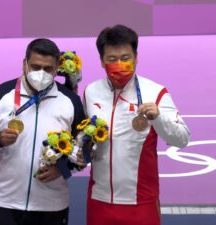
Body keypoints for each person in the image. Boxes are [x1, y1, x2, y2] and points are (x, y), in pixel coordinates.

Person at [83, 25, 191, 225]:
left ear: (136, 57)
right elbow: (84, 137)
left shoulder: (156, 92)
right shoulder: (91, 92)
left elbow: (182, 139)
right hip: (99, 200)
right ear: (101, 61)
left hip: (141, 202)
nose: (120, 64)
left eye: (126, 58)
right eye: (112, 59)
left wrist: (159, 118)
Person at [0, 38, 85, 225]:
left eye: (48, 69)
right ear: (24, 63)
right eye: (35, 67)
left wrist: (62, 169)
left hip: (52, 205)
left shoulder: (71, 101)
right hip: (3, 202)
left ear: (57, 67)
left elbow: (86, 150)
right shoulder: (0, 95)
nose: (41, 73)